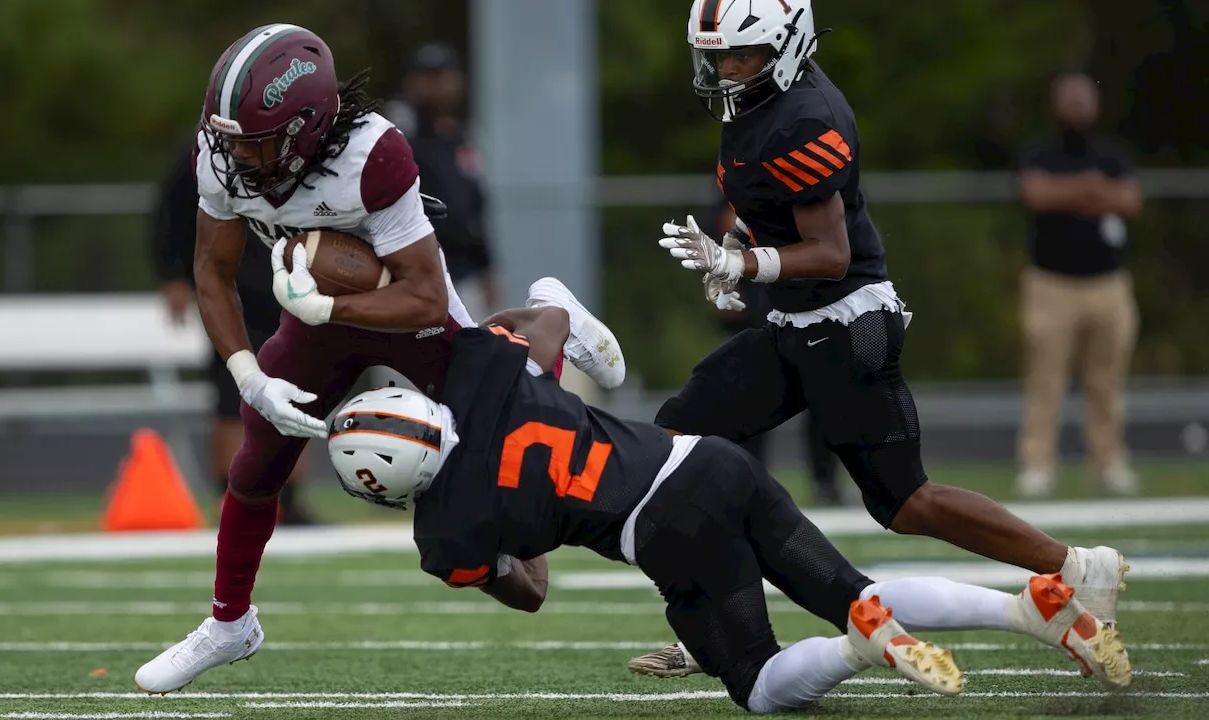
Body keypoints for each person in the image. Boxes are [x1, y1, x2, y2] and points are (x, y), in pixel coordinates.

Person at [329, 285, 1131, 713]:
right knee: (851, 589)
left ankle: (856, 651)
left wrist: (509, 526)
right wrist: (544, 329)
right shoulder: (482, 374)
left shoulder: (444, 537)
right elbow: (543, 318)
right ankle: (1031, 609)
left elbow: (530, 593)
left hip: (668, 533)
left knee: (754, 683)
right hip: (708, 463)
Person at [631, 0, 1128, 676]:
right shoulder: (758, 101)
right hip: (796, 322)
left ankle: (1075, 566)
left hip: (845, 325)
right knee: (682, 440)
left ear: (784, 46)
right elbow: (770, 207)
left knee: (905, 501)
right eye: (717, 55)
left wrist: (746, 265)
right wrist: (735, 247)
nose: (725, 68)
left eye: (740, 54)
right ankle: (725, 622)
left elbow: (831, 252)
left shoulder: (805, 118)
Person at [134, 23, 624, 694]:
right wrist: (249, 377)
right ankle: (229, 622)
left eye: (253, 139)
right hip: (317, 320)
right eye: (229, 137)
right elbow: (212, 274)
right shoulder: (219, 155)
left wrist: (329, 309)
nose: (235, 154)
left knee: (529, 584)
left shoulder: (373, 154)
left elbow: (423, 298)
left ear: (305, 128)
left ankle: (552, 317)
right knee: (256, 463)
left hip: (401, 311)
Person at [150, 146, 316, 525]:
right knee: (233, 397)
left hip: (293, 287)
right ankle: (231, 496)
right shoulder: (208, 152)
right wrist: (172, 275)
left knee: (303, 391)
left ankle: (288, 501)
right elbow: (170, 214)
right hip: (234, 289)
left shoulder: (304, 147)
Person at [1015, 72, 1143, 498]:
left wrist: (1073, 193)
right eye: (1068, 100)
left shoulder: (1111, 155)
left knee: (1106, 381)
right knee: (1045, 379)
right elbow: (1036, 195)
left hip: (1108, 284)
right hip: (1050, 284)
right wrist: (1089, 189)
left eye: (1083, 100)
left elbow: (1129, 201)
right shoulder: (1040, 154)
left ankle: (1108, 463)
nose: (1076, 108)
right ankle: (1038, 465)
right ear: (1055, 105)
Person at [713, 205, 843, 507]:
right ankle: (749, 481)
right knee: (754, 399)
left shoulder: (818, 176)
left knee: (824, 401)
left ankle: (826, 483)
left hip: (819, 304)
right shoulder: (744, 174)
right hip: (766, 310)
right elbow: (726, 223)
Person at [385, 42, 496, 318]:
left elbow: (476, 206)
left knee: (474, 351)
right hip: (411, 270)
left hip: (463, 271)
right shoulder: (401, 130)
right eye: (429, 76)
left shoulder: (464, 137)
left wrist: (488, 267)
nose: (438, 85)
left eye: (444, 75)